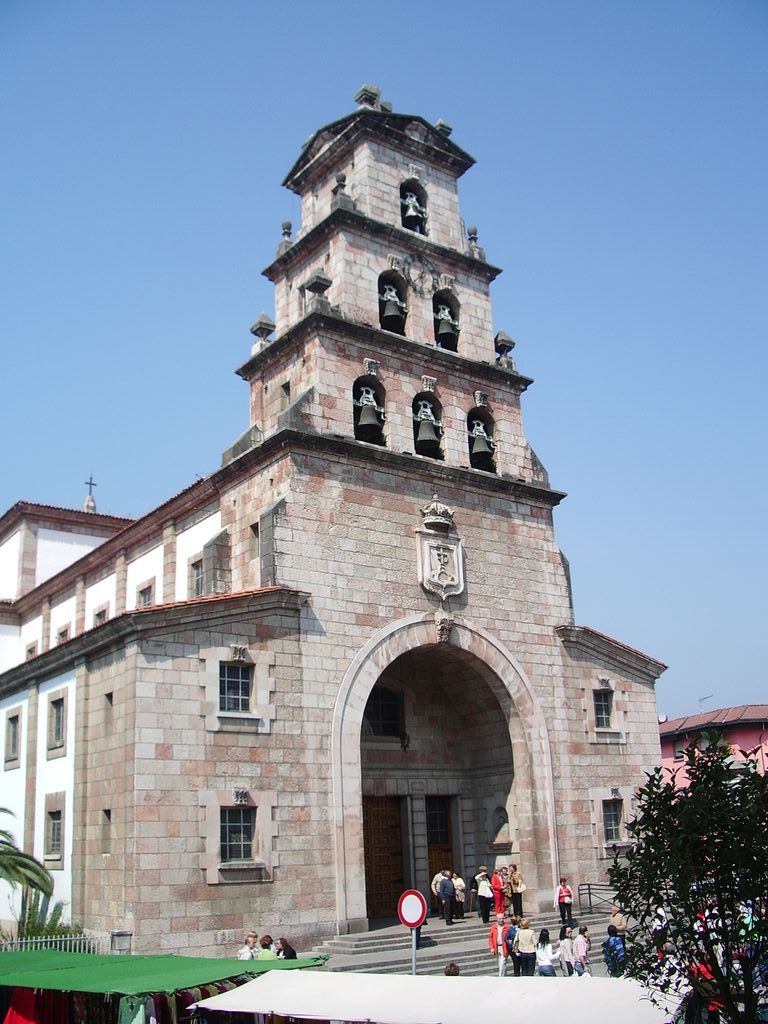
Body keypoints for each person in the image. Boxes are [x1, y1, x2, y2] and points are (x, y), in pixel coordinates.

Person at [488, 913, 511, 977]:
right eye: (501, 919)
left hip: (504, 947)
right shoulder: (493, 927)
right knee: (500, 963)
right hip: (497, 947)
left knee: (502, 963)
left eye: (503, 918)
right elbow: (491, 938)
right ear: (497, 919)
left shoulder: (507, 927)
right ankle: (505, 976)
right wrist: (492, 947)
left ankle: (500, 978)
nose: (502, 920)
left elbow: (510, 937)